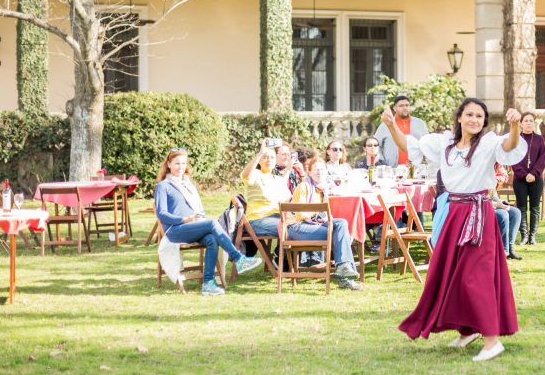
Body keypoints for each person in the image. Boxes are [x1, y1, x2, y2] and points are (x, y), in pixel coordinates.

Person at [381, 98, 525, 362]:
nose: (474, 120)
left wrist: (515, 126)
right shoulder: (444, 143)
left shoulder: (488, 144)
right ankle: (468, 328)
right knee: (454, 274)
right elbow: (409, 146)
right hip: (454, 213)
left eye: (479, 116)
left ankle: (492, 341)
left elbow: (510, 146)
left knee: (475, 277)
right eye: (469, 114)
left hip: (478, 215)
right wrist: (391, 126)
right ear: (460, 117)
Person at [241, 143, 362, 290]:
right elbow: (245, 175)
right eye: (266, 157)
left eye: (272, 157)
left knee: (341, 224)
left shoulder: (277, 179)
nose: (269, 159)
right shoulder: (256, 175)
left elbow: (291, 200)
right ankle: (343, 277)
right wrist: (260, 153)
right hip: (262, 219)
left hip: (283, 219)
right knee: (337, 234)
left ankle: (343, 267)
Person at [154, 148, 263, 296]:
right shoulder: (163, 186)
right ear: (169, 164)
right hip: (175, 231)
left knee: (212, 239)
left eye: (183, 163)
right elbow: (162, 214)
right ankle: (238, 258)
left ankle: (208, 284)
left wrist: (197, 218)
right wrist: (183, 219)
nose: (181, 167)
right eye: (177, 163)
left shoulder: (188, 184)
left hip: (192, 227)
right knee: (212, 224)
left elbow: (198, 209)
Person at [512, 112, 545, 246]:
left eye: (531, 121)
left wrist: (534, 174)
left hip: (536, 179)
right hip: (520, 179)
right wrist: (524, 175)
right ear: (521, 123)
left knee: (535, 208)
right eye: (526, 120)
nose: (528, 123)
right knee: (521, 207)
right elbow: (513, 159)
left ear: (534, 123)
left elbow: (542, 159)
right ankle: (524, 236)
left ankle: (532, 236)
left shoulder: (539, 139)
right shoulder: (516, 139)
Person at [374, 95, 429, 168]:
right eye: (401, 106)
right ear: (394, 108)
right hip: (392, 169)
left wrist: (424, 164)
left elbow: (427, 145)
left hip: (416, 169)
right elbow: (375, 145)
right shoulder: (385, 125)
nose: (405, 108)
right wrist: (382, 163)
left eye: (407, 105)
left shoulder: (420, 124)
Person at [493, 164, 522, 260]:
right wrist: (498, 205)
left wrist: (501, 203)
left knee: (516, 213)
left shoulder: (495, 167)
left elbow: (504, 175)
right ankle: (503, 251)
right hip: (485, 206)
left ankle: (510, 248)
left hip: (496, 202)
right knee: (503, 214)